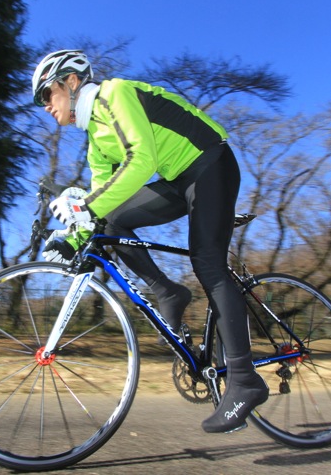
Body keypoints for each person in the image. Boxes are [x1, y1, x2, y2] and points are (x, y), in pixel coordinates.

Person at [32, 49, 268, 433]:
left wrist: (87, 206)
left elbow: (140, 160)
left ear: (71, 82)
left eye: (46, 94)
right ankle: (168, 291)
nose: (45, 106)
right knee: (111, 219)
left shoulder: (115, 94)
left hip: (210, 163)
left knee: (207, 262)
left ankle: (245, 380)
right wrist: (71, 238)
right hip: (179, 179)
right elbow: (101, 204)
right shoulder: (95, 137)